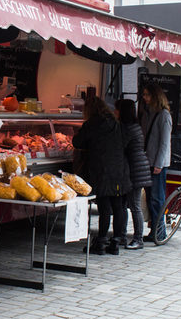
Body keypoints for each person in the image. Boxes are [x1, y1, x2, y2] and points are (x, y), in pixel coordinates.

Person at [72, 96, 131, 255]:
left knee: (104, 207)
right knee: (118, 206)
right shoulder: (116, 124)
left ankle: (101, 242)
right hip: (119, 170)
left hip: (101, 170)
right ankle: (116, 242)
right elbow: (126, 142)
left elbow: (77, 142)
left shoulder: (92, 124)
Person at [116, 99, 152, 250]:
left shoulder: (127, 129)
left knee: (134, 205)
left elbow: (120, 146)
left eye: (117, 109)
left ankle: (138, 239)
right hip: (136, 168)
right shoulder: (135, 126)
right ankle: (122, 236)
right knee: (124, 204)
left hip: (134, 170)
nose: (115, 112)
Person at [139, 83, 172, 243]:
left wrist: (159, 164)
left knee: (157, 198)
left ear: (155, 96)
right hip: (148, 161)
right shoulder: (148, 113)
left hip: (157, 163)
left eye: (147, 94)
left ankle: (160, 232)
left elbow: (164, 142)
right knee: (150, 197)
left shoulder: (164, 115)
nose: (144, 97)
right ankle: (155, 231)